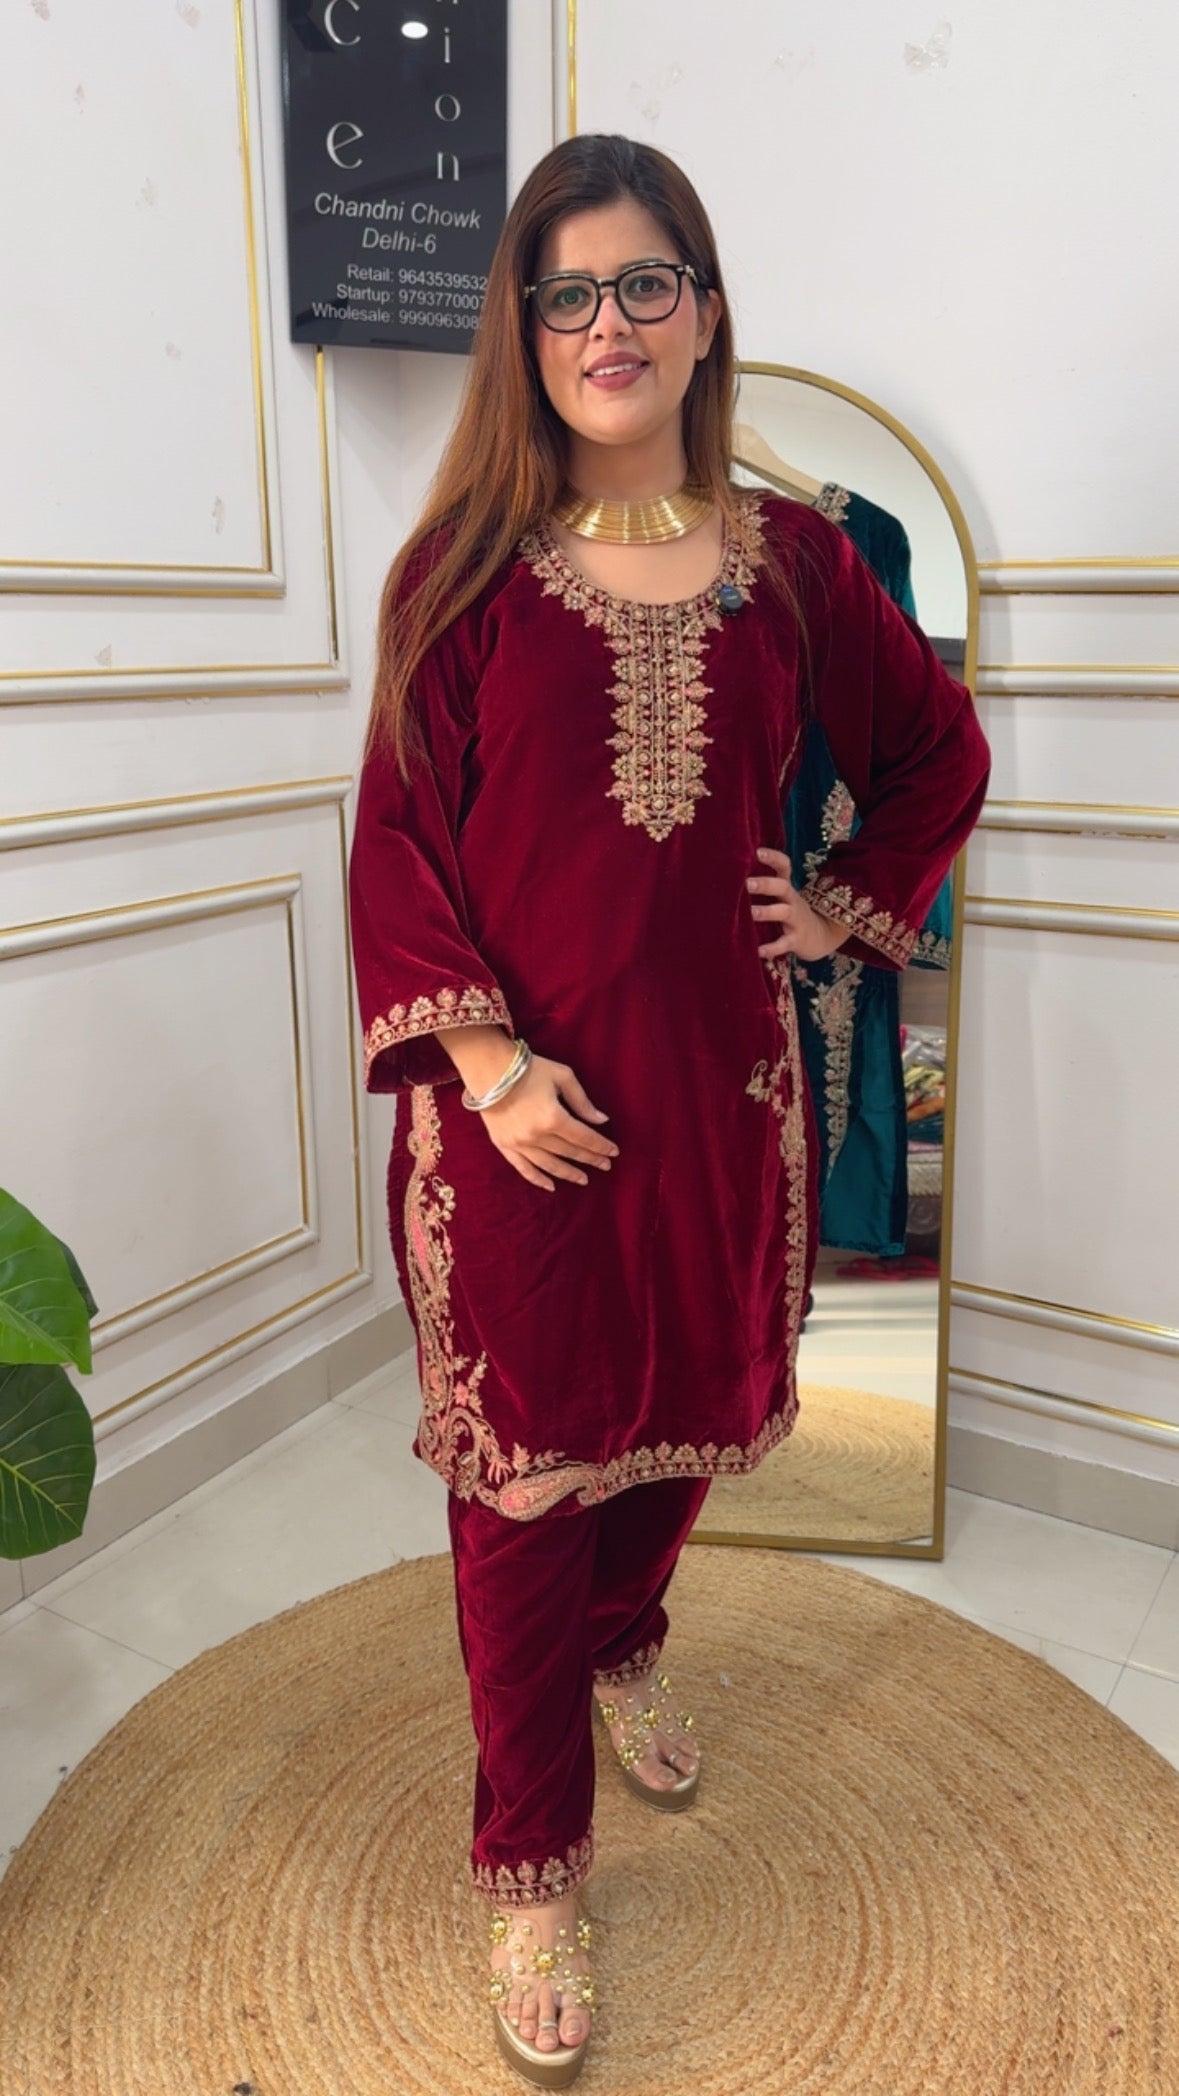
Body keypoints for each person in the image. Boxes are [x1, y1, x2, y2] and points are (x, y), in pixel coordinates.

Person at [349, 132, 990, 2086]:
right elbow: (394, 842)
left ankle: (628, 1640)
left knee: (677, 1431)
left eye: (644, 283)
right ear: (524, 333)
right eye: (567, 293)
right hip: (516, 1122)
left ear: (703, 312)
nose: (606, 323)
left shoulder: (799, 566)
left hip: (723, 1106)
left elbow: (936, 748)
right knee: (526, 1486)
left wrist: (842, 903)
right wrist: (484, 1067)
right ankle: (532, 1866)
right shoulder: (459, 573)